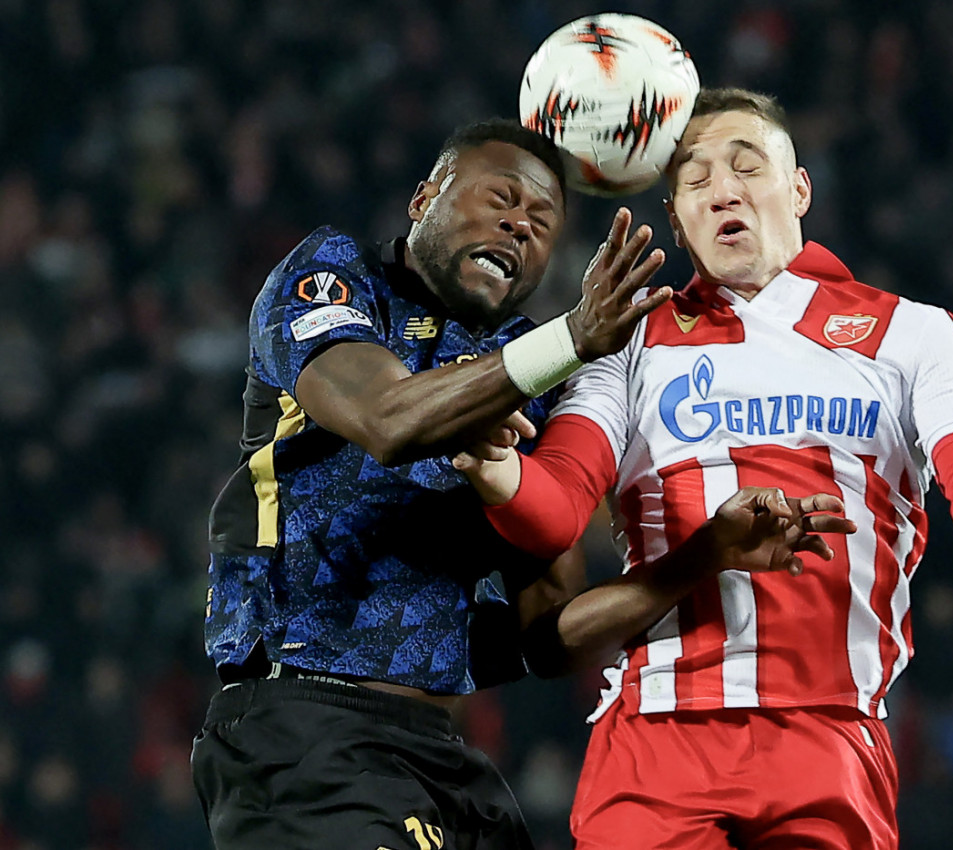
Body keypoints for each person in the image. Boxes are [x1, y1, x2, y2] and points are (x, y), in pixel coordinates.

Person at [453, 90, 953, 850]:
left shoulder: (909, 333)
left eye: (747, 166)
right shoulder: (627, 341)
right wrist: (495, 467)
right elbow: (558, 499)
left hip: (831, 748)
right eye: (694, 179)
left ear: (799, 190)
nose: (722, 189)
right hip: (657, 739)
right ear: (678, 220)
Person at [192, 116, 852, 850]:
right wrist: (571, 339)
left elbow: (550, 637)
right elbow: (387, 418)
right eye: (501, 199)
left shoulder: (528, 373)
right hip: (302, 730)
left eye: (542, 224)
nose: (520, 226)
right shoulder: (340, 277)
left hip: (437, 753)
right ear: (424, 200)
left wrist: (703, 556)